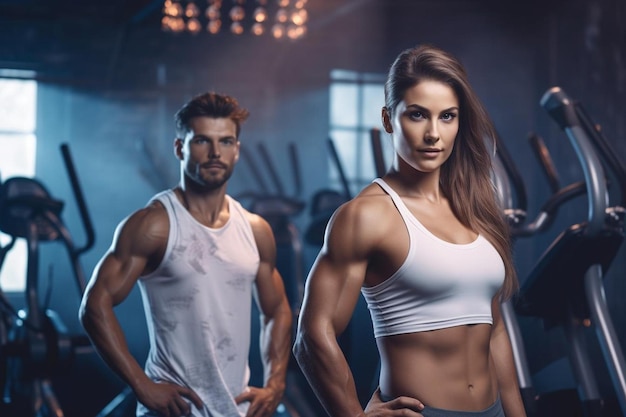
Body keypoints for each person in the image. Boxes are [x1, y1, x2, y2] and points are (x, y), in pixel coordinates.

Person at [293, 44, 527, 417]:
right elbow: (312, 336)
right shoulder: (366, 216)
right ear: (389, 119)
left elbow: (494, 328)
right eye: (417, 115)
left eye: (447, 117)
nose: (433, 133)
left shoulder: (475, 209)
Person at [79, 92, 293, 417]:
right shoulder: (154, 225)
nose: (215, 153)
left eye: (226, 142)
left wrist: (276, 383)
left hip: (237, 410)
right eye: (202, 141)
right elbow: (94, 305)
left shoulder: (255, 230)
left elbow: (276, 309)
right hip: (173, 411)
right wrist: (142, 385)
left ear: (237, 150)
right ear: (180, 147)